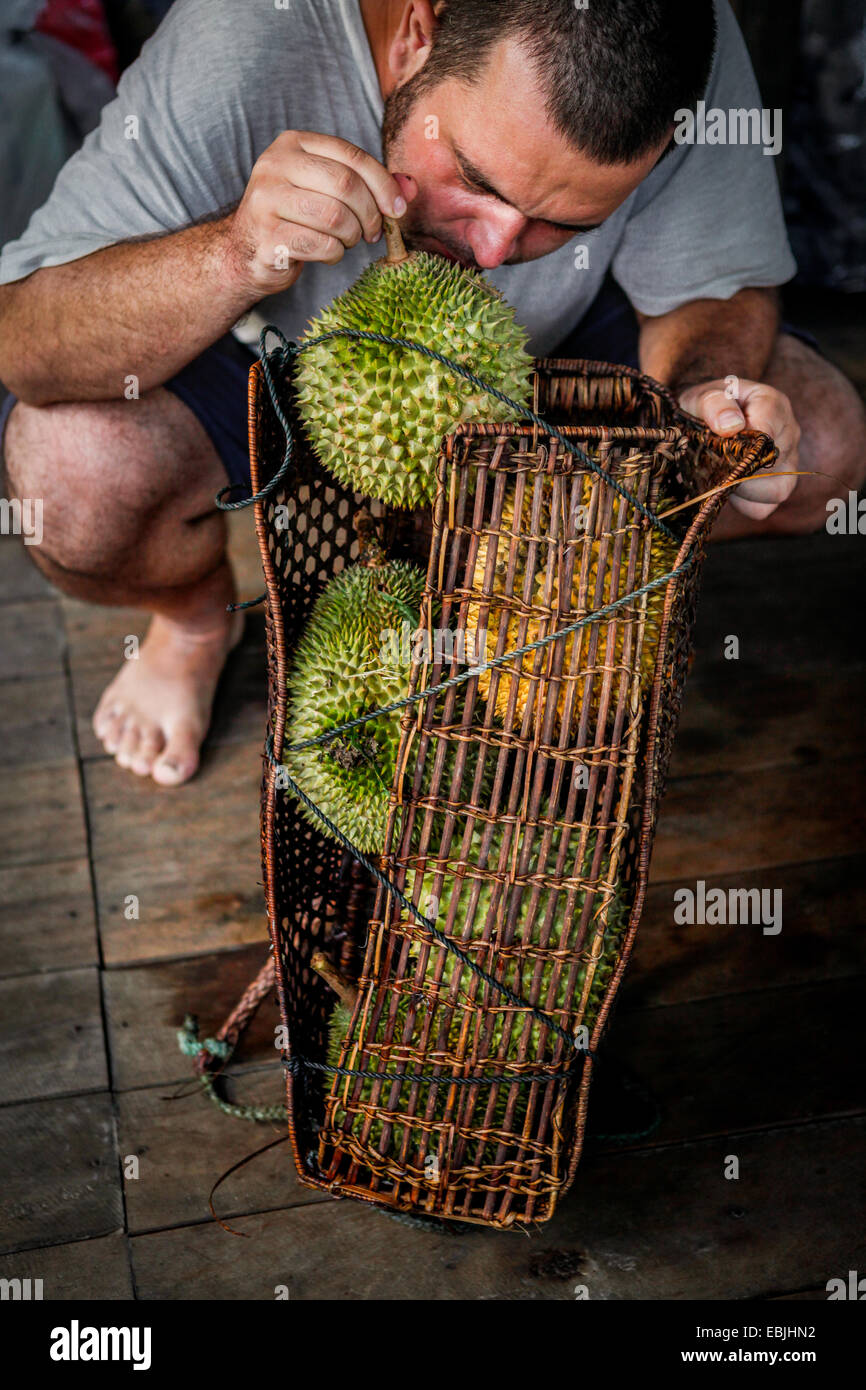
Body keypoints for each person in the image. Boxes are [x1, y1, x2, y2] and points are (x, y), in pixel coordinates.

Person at [1, 0, 863, 787]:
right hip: (273, 363)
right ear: (417, 31)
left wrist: (702, 408)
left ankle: (515, 582)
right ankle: (193, 623)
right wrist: (231, 254)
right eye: (479, 183)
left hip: (555, 359)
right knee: (74, 477)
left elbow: (714, 286)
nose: (495, 251)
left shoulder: (679, 51)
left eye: (567, 221)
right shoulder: (244, 38)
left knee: (822, 449)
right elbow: (24, 343)